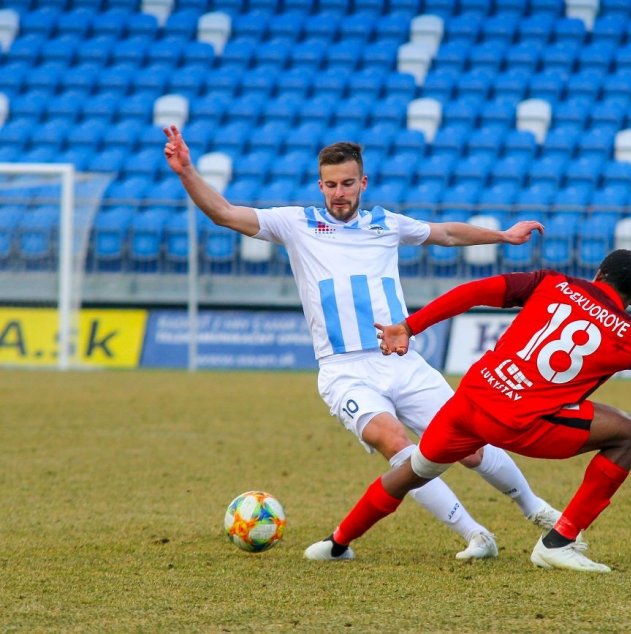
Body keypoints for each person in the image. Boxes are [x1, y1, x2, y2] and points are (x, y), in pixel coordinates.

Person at [162, 126, 563, 560]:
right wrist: (186, 171)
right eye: (331, 184)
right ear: (320, 186)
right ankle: (475, 535)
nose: (339, 193)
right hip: (344, 371)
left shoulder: (385, 224)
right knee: (397, 445)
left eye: (347, 183)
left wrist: (503, 236)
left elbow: (446, 233)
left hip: (401, 361)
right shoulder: (295, 224)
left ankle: (535, 508)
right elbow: (223, 213)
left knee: (470, 446)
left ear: (363, 183)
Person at [303, 250, 631, 573]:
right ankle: (558, 542)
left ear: (598, 273)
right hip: (526, 425)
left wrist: (409, 325)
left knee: (414, 470)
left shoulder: (553, 283)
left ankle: (337, 542)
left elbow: (475, 291)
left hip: (469, 403)